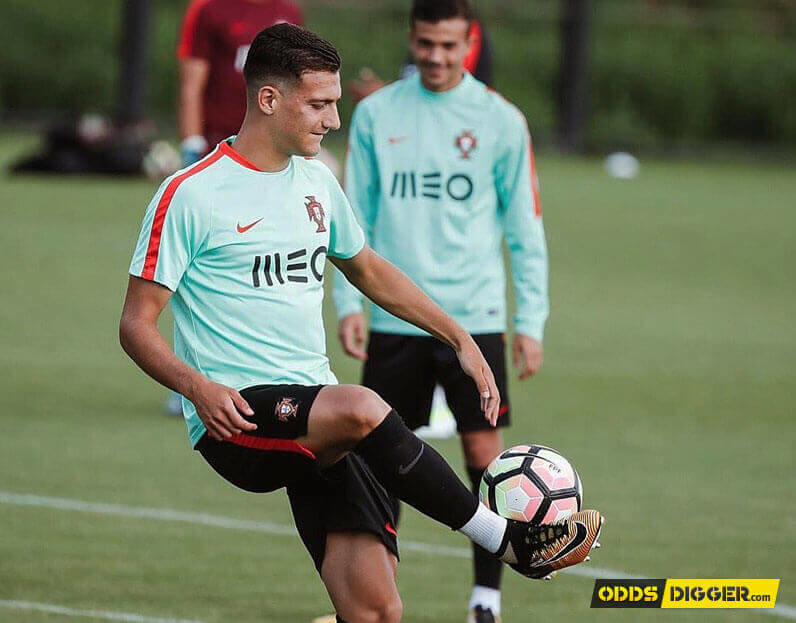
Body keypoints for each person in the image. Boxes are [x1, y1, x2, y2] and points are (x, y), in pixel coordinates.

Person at [120, 24, 601, 623]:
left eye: (336, 104)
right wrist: (196, 388)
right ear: (269, 100)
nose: (334, 120)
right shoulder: (189, 195)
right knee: (365, 406)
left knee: (376, 612)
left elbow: (369, 270)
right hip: (238, 414)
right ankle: (506, 541)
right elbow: (136, 325)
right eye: (320, 104)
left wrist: (459, 337)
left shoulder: (317, 181)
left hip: (315, 417)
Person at [332, 1, 548, 621]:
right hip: (392, 316)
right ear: (411, 38)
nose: (436, 56)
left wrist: (529, 321)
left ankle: (486, 599)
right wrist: (350, 300)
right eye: (426, 43)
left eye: (450, 46)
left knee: (487, 458)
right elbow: (354, 217)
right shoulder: (375, 114)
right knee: (383, 459)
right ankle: (378, 599)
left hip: (475, 318)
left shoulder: (502, 121)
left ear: (470, 43)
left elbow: (524, 226)